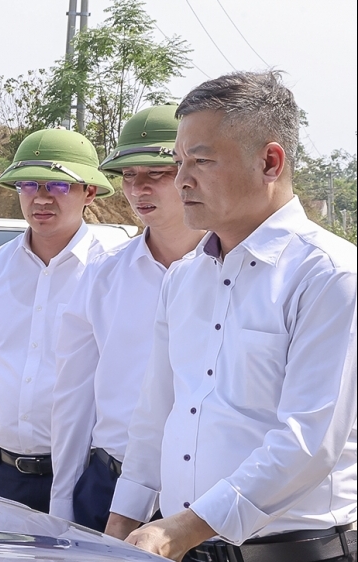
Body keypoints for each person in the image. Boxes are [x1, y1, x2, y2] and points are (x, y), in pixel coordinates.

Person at [105, 71, 357, 562]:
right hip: (182, 546)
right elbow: (157, 412)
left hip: (296, 552)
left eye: (201, 161)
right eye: (179, 162)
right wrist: (122, 521)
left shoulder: (329, 275)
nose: (182, 180)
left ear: (269, 162)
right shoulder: (185, 276)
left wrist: (185, 528)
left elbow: (309, 443)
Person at [48, 105, 206, 532]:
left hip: (205, 495)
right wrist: (63, 501)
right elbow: (73, 396)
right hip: (109, 482)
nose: (138, 188)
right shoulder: (102, 275)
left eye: (156, 173)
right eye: (129, 175)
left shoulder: (236, 274)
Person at [0, 127, 113, 512]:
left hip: (84, 476)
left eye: (58, 185)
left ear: (89, 192)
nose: (41, 198)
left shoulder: (110, 271)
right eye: (29, 185)